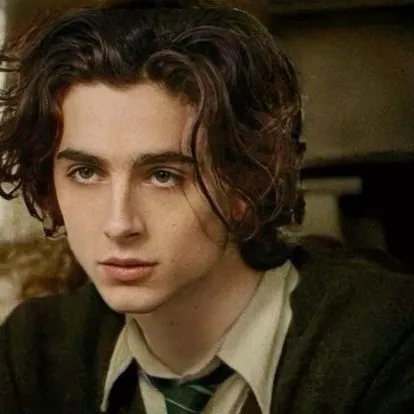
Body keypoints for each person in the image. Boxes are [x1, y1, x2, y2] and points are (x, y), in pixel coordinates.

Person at [1, 1, 414, 413]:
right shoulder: (33, 349)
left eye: (164, 176)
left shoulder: (387, 338)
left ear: (245, 183)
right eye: (86, 172)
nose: (119, 223)